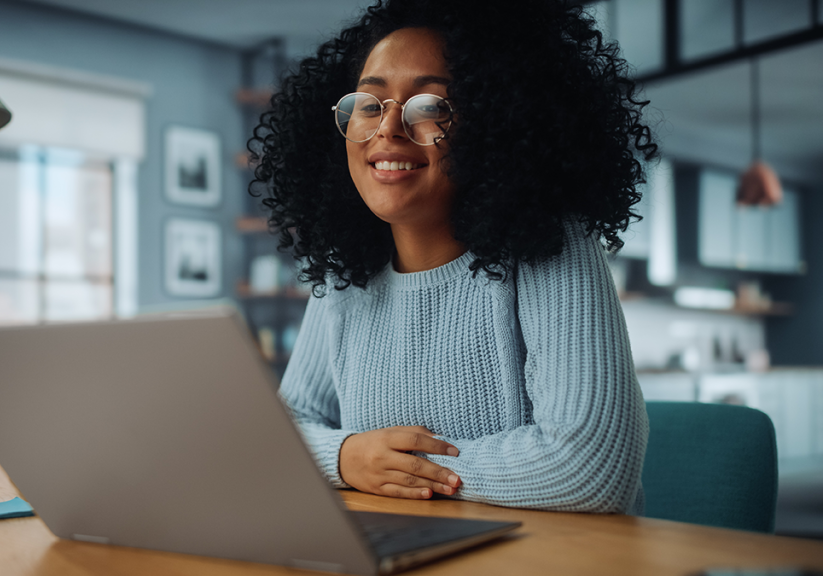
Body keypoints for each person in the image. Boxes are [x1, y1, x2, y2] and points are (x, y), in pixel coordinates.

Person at [248, 0, 656, 514]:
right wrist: (349, 456)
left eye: (431, 106)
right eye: (370, 104)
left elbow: (591, 468)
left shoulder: (550, 246)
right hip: (406, 549)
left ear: (498, 123)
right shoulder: (345, 274)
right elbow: (286, 433)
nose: (388, 129)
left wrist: (399, 470)